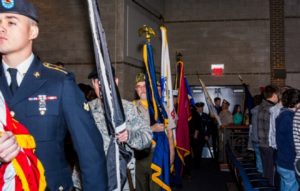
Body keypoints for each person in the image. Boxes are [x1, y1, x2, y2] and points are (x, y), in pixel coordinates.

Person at [0, 1, 107, 190]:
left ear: (33, 32)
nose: (1, 28)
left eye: (11, 22)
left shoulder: (59, 82)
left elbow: (89, 152)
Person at [87, 68, 152, 190]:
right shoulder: (86, 110)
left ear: (115, 82)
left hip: (122, 178)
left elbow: (147, 137)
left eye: (108, 82)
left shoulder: (127, 108)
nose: (103, 88)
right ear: (93, 84)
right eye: (99, 83)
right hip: (94, 177)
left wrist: (130, 136)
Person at [133, 73, 164, 191]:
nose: (142, 89)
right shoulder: (131, 107)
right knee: (140, 186)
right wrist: (152, 128)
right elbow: (130, 132)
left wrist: (171, 155)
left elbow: (170, 133)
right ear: (136, 90)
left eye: (144, 86)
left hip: (157, 153)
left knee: (156, 187)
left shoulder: (159, 107)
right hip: (139, 154)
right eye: (138, 87)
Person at [276, 89, 300, 191]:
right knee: (292, 186)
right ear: (295, 103)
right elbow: (293, 142)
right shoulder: (289, 117)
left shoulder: (282, 114)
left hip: (282, 159)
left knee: (285, 185)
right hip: (289, 161)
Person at [257, 85, 279, 186]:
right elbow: (273, 129)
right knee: (271, 174)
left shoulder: (261, 106)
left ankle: (266, 187)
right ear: (274, 95)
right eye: (278, 95)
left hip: (262, 143)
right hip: (269, 144)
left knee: (266, 172)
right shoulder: (272, 109)